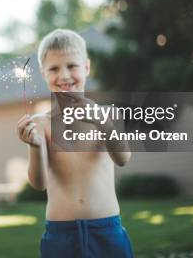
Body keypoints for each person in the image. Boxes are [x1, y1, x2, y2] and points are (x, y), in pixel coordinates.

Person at [16, 29, 133, 257]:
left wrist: (101, 123)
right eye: (54, 68)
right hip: (61, 235)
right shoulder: (41, 124)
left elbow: (123, 158)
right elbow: (39, 184)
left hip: (107, 231)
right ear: (43, 73)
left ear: (86, 67)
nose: (64, 75)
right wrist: (34, 146)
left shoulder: (109, 114)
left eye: (72, 66)